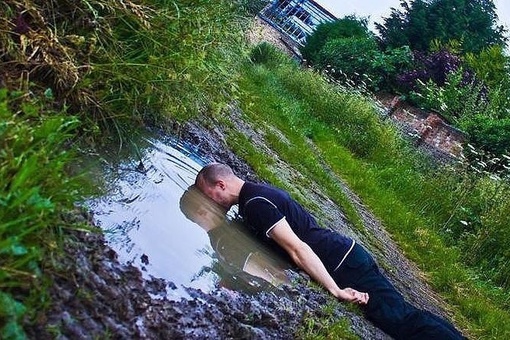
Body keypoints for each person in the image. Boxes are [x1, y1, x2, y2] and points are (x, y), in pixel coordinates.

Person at [194, 163, 465, 340]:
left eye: (207, 194)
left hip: (343, 264)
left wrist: (335, 290)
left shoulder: (255, 204)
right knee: (405, 313)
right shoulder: (253, 195)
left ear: (221, 185)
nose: (209, 201)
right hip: (344, 257)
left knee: (400, 321)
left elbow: (299, 249)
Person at [179, 185, 290, 293]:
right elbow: (276, 278)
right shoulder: (226, 244)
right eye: (213, 199)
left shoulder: (222, 236)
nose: (220, 199)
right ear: (202, 212)